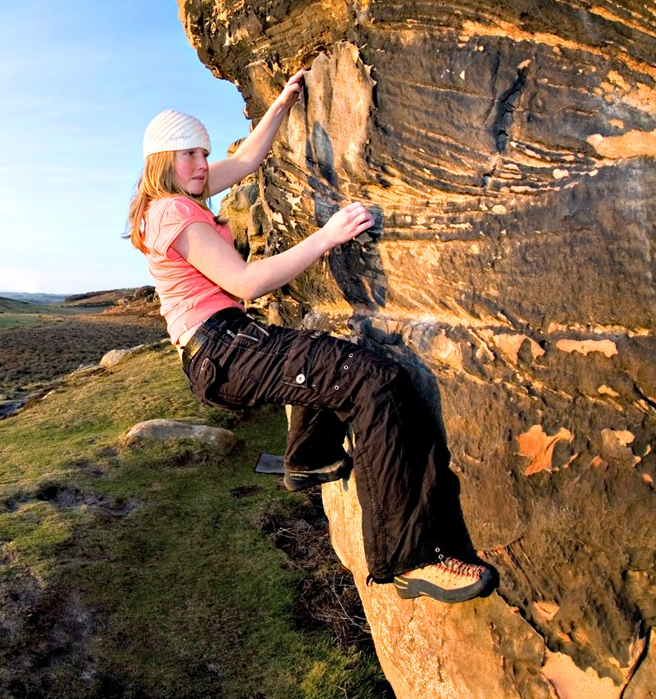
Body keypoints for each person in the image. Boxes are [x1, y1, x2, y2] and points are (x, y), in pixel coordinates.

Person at [126, 70, 494, 603]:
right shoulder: (172, 210)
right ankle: (408, 557)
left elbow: (248, 160)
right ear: (164, 160)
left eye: (205, 155)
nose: (204, 166)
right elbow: (247, 282)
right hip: (224, 350)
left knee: (324, 360)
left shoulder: (176, 194)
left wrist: (281, 103)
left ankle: (307, 459)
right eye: (192, 156)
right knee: (373, 380)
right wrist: (327, 236)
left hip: (226, 349)